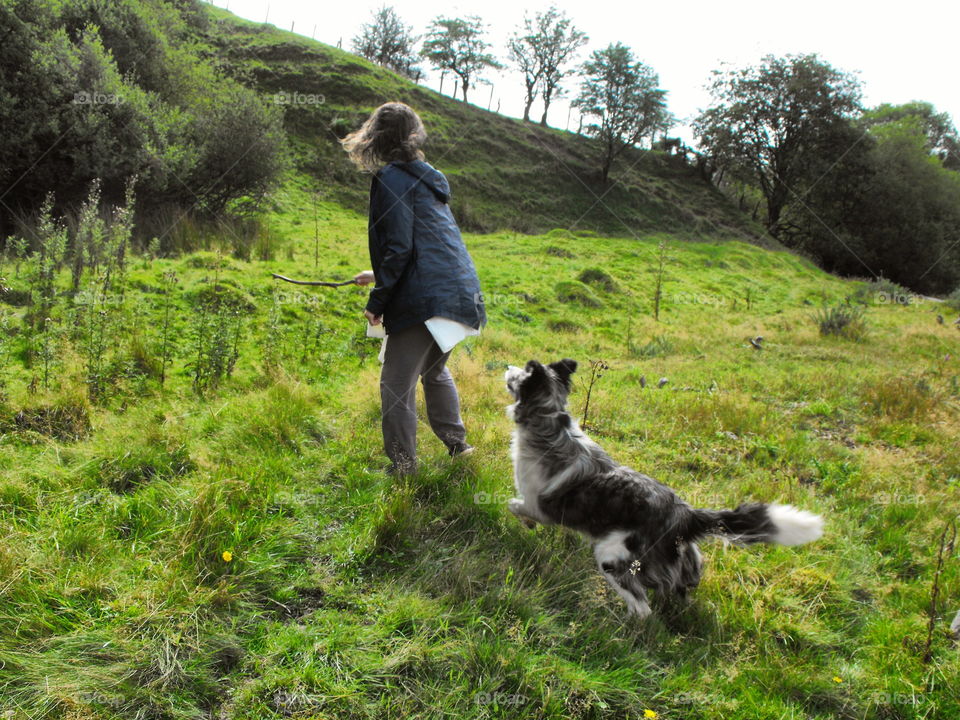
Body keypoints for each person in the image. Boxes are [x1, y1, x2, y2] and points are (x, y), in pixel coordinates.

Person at [340, 102, 486, 475]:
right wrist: (377, 275)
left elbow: (401, 247)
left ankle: (403, 468)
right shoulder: (427, 178)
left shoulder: (392, 178)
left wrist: (378, 300)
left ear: (375, 136)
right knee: (435, 371)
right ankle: (459, 448)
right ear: (412, 135)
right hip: (458, 291)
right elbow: (426, 243)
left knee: (394, 384)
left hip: (427, 298)